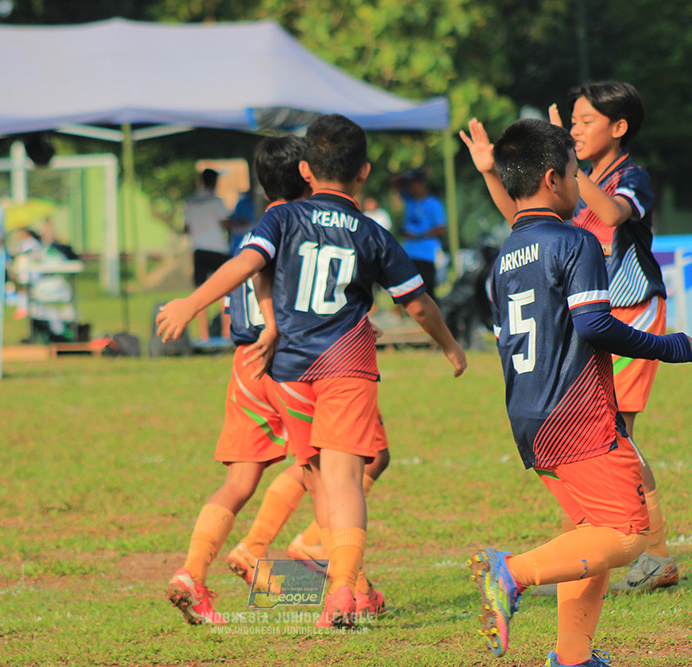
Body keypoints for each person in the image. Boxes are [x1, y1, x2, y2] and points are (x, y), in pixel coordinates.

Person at [158, 114, 467, 629]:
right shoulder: (373, 232)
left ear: (308, 168)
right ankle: (344, 591)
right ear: (364, 171)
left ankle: (246, 565)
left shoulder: (279, 221)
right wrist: (451, 346)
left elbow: (246, 266)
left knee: (311, 477)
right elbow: (417, 305)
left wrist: (191, 304)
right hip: (343, 362)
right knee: (345, 478)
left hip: (282, 368)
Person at [465, 118, 692, 667]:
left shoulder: (502, 260)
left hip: (529, 414)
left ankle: (573, 655)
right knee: (626, 536)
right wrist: (666, 345)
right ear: (553, 178)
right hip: (576, 416)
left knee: (588, 531)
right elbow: (594, 324)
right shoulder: (575, 241)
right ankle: (512, 572)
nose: (581, 185)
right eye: (575, 174)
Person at [164, 136, 309, 626]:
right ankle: (341, 583)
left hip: (245, 362)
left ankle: (191, 572)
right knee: (336, 462)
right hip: (287, 359)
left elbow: (237, 291)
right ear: (309, 175)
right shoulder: (300, 228)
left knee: (239, 480)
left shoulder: (251, 232)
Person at [183, 168, 231, 342]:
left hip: (199, 249)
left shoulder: (190, 201)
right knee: (226, 291)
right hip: (218, 248)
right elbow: (225, 222)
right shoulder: (216, 201)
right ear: (214, 181)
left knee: (200, 292)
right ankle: (226, 332)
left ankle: (204, 335)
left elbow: (186, 227)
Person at [393, 169, 447, 299]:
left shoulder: (433, 204)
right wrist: (409, 173)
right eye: (409, 185)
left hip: (426, 254)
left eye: (414, 184)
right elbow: (394, 182)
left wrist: (418, 236)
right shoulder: (409, 201)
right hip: (409, 253)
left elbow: (441, 229)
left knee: (427, 290)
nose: (411, 188)